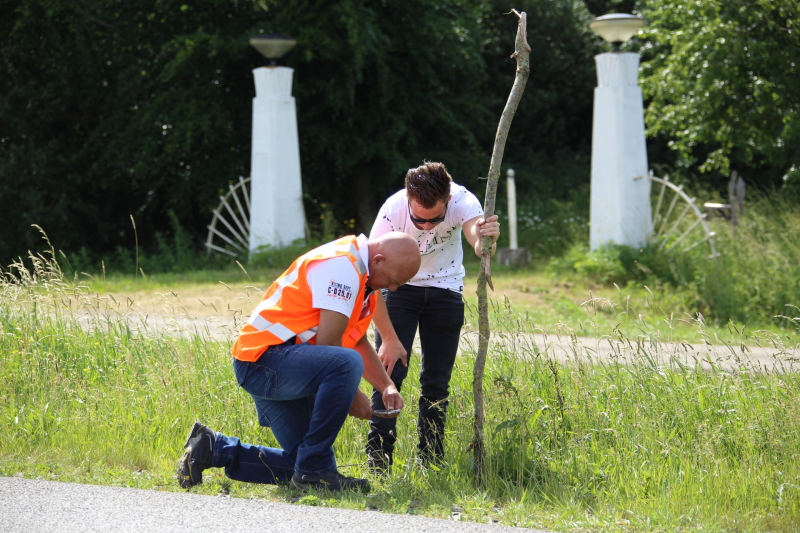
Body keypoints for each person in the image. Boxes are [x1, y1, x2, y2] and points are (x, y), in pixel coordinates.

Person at [178, 232, 421, 493]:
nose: (392, 289)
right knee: (346, 364)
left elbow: (356, 339)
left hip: (275, 363)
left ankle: (213, 448)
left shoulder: (363, 277)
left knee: (304, 463)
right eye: (393, 281)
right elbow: (330, 346)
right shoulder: (343, 266)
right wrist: (354, 396)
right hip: (264, 362)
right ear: (379, 260)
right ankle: (314, 473)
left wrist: (386, 386)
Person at [365, 161, 500, 471]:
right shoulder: (392, 210)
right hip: (398, 289)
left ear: (448, 200)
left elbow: (477, 240)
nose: (426, 227)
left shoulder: (463, 201)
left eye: (435, 219)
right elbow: (370, 273)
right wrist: (388, 337)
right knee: (389, 375)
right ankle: (378, 460)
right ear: (409, 199)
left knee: (437, 382)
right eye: (418, 220)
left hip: (445, 289)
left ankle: (431, 461)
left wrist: (486, 239)